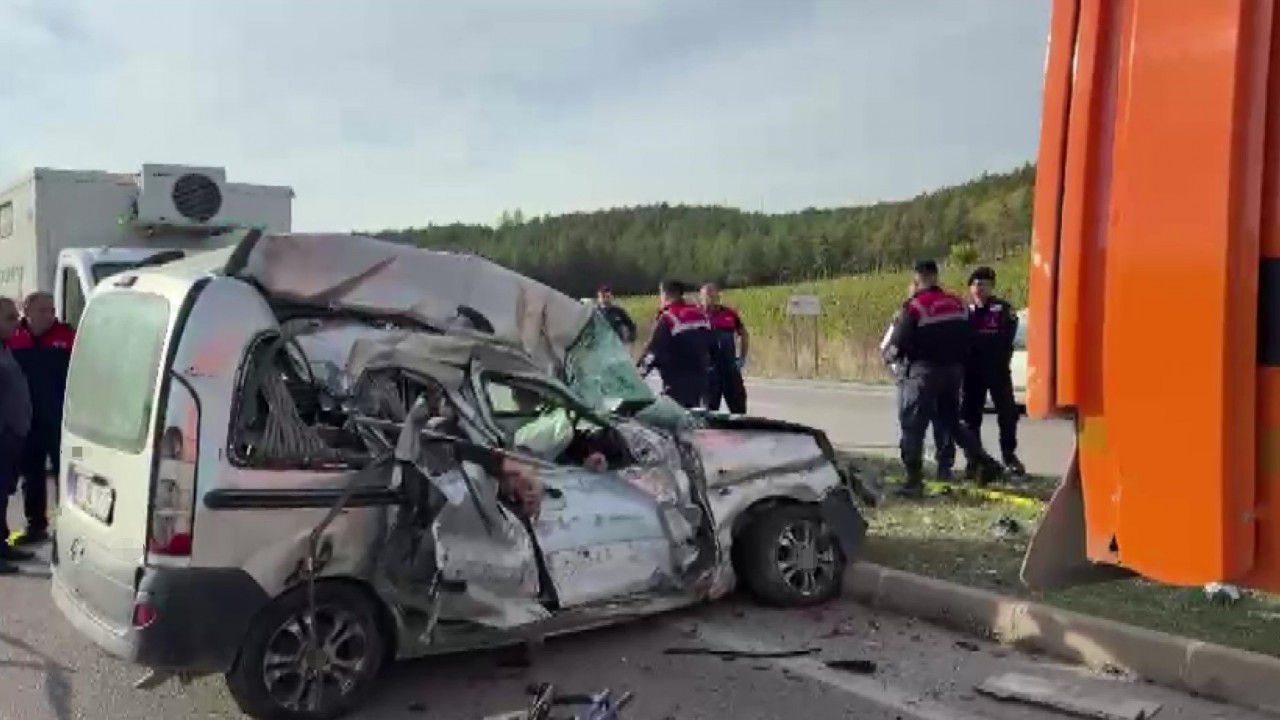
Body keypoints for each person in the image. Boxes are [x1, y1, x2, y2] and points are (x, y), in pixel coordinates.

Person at [883, 261, 1002, 499]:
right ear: (936, 277)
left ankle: (913, 481)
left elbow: (895, 347)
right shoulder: (958, 304)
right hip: (954, 372)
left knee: (913, 426)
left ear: (917, 279)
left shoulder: (915, 306)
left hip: (923, 373)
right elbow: (970, 338)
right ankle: (984, 462)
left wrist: (889, 359)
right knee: (952, 422)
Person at [8, 291, 75, 545]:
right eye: (43, 310)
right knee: (32, 475)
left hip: (60, 419)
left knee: (66, 474)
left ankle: (68, 527)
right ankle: (36, 526)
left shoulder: (66, 335)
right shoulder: (14, 337)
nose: (49, 315)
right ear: (27, 310)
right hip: (26, 420)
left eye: (52, 309)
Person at [880, 288, 955, 480]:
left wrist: (890, 358)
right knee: (941, 423)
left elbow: (890, 349)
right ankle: (941, 468)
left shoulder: (913, 314)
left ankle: (915, 475)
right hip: (920, 373)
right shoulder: (905, 316)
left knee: (914, 424)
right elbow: (887, 345)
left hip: (917, 375)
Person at [960, 267, 1025, 478]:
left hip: (997, 369)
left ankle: (1009, 455)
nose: (980, 288)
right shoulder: (963, 311)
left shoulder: (1003, 309)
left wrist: (984, 344)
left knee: (1007, 414)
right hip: (972, 372)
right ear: (970, 288)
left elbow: (1007, 337)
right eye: (976, 284)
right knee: (971, 416)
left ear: (991, 287)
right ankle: (975, 459)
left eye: (984, 284)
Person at [638, 280, 712, 409]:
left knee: (670, 417)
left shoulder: (669, 318)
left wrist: (638, 376)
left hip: (677, 380)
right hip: (701, 377)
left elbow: (652, 352)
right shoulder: (700, 314)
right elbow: (711, 343)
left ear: (666, 295)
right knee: (692, 412)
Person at [0, 297, 33, 572]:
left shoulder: (5, 348)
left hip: (11, 436)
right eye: (10, 317)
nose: (17, 323)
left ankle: (2, 545)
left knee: (3, 494)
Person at [699, 283, 750, 414]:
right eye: (707, 295)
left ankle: (741, 433)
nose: (710, 298)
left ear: (718, 296)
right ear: (701, 297)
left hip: (730, 369)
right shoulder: (695, 316)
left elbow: (744, 334)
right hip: (709, 372)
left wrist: (742, 358)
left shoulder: (729, 314)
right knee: (709, 412)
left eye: (713, 294)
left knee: (739, 409)